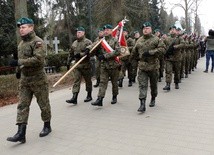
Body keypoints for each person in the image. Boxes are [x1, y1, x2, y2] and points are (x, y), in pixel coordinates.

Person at [7, 17, 52, 143]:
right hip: (25, 80)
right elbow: (21, 62)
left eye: (24, 27)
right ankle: (21, 133)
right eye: (20, 28)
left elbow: (38, 60)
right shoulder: (21, 44)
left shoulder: (38, 42)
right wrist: (17, 71)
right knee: (22, 105)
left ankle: (47, 125)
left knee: (43, 104)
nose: (21, 30)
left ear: (31, 27)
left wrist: (18, 62)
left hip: (38, 79)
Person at [130, 22, 165, 113]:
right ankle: (142, 104)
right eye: (144, 28)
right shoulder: (139, 40)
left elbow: (162, 50)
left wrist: (150, 52)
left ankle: (153, 98)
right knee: (142, 85)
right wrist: (131, 62)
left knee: (153, 86)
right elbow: (134, 53)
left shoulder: (156, 39)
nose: (145, 30)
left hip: (153, 67)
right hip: (142, 67)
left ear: (151, 29)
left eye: (147, 28)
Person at [91, 24, 121, 106]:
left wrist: (105, 56)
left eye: (108, 30)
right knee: (103, 82)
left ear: (111, 31)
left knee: (114, 83)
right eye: (105, 30)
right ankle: (100, 99)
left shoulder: (115, 40)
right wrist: (88, 50)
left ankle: (114, 96)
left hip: (114, 65)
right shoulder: (101, 41)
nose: (106, 31)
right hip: (104, 65)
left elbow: (118, 51)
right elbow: (93, 46)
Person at [66, 27, 93, 104]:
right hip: (77, 66)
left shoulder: (88, 42)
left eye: (80, 32)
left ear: (84, 33)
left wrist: (81, 54)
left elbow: (90, 53)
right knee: (76, 81)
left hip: (86, 65)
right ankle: (74, 97)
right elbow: (71, 53)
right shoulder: (74, 43)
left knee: (88, 81)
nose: (78, 34)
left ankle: (89, 95)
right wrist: (68, 62)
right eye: (77, 32)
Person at [163, 25, 185, 91]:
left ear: (176, 30)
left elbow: (183, 44)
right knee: (168, 71)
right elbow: (162, 45)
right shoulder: (167, 39)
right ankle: (168, 84)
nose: (172, 30)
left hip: (177, 58)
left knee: (177, 72)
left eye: (173, 29)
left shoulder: (179, 38)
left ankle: (176, 82)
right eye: (171, 29)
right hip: (169, 58)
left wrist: (176, 47)